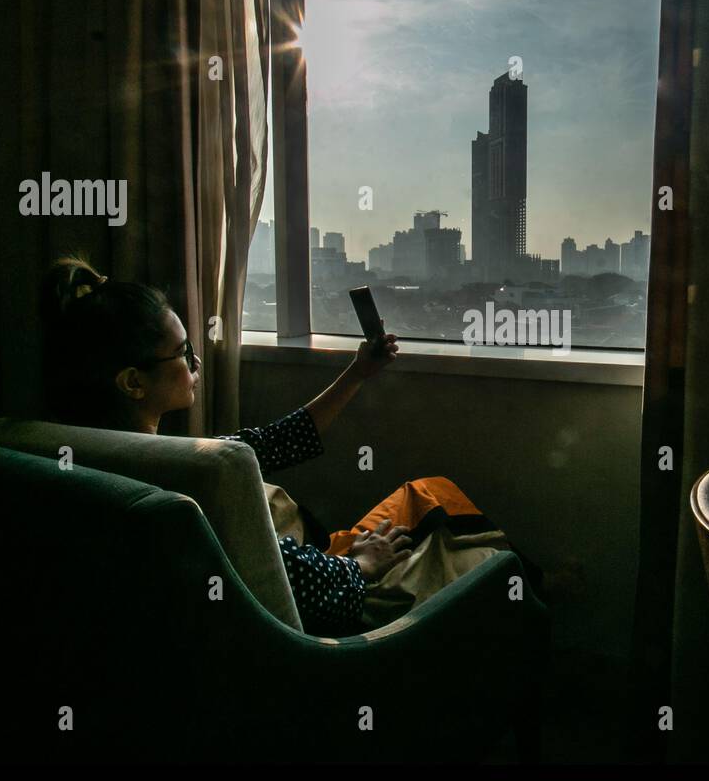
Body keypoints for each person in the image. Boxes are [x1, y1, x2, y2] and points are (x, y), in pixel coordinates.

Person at [40, 255, 425, 635]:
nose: (196, 364)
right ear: (133, 383)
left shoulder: (78, 457)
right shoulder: (187, 487)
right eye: (182, 352)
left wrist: (357, 373)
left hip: (315, 567)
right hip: (326, 606)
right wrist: (361, 564)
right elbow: (291, 578)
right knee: (436, 502)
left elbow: (277, 440)